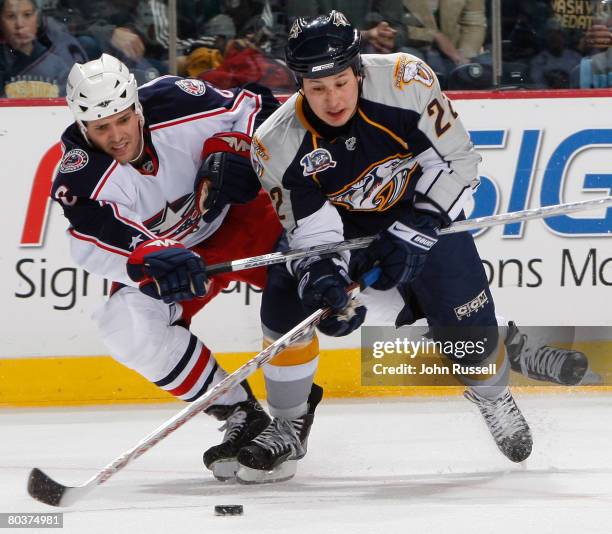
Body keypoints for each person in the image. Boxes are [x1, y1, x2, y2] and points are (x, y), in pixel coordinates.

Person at [245, 10, 593, 484]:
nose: (332, 99)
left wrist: (416, 227)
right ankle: (288, 423)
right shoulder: (275, 143)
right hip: (349, 236)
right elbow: (312, 230)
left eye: (341, 83)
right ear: (300, 83)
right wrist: (325, 275)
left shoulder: (406, 80)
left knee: (469, 336)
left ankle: (490, 392)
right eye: (317, 87)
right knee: (287, 296)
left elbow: (459, 162)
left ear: (359, 70)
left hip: (424, 215)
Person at [50, 53, 298, 483]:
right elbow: (97, 231)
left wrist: (247, 159)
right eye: (101, 128)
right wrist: (149, 252)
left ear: (138, 107)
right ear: (82, 125)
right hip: (176, 261)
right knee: (124, 328)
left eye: (123, 120)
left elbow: (260, 109)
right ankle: (241, 411)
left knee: (321, 284)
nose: (116, 136)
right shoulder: (80, 171)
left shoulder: (179, 100)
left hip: (241, 221)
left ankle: (298, 416)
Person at [0, 0, 85, 97]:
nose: (19, 24)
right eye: (10, 16)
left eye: (27, 15)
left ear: (37, 19)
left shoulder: (58, 66)